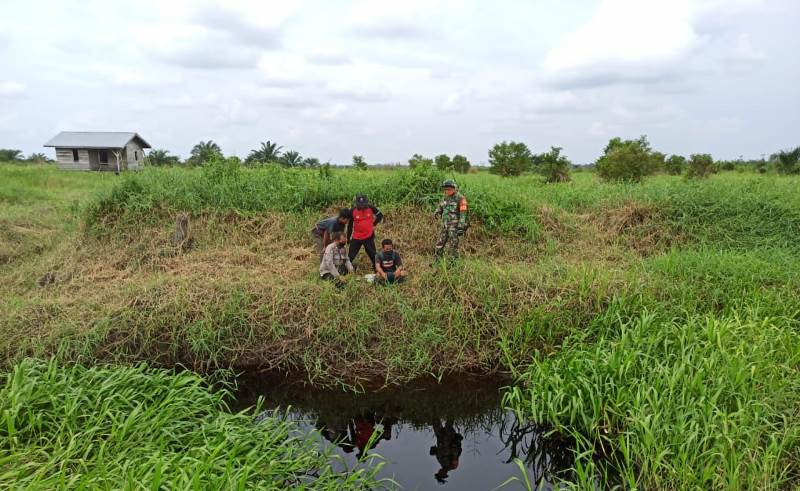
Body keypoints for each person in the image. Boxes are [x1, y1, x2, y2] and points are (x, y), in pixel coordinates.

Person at [433, 179, 468, 262]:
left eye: (449, 189)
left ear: (454, 188)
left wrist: (461, 226)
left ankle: (454, 263)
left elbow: (463, 214)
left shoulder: (460, 198)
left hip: (454, 226)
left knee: (453, 244)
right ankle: (438, 261)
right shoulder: (445, 197)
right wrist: (437, 212)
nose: (447, 191)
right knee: (439, 243)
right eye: (445, 189)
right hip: (444, 225)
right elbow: (440, 207)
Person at [347, 194, 383, 267]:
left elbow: (380, 215)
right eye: (360, 205)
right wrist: (348, 237)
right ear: (356, 203)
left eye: (364, 204)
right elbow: (350, 225)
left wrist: (373, 224)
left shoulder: (371, 207)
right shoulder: (352, 210)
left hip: (369, 236)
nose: (362, 206)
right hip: (356, 237)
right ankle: (345, 269)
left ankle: (377, 268)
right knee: (351, 255)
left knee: (373, 254)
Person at [430, 419, 463, 484]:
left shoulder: (441, 462)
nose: (439, 471)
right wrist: (455, 442)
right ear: (444, 474)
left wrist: (433, 451)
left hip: (440, 438)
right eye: (440, 473)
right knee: (449, 424)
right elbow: (455, 452)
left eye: (438, 473)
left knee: (435, 420)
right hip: (449, 438)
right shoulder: (453, 466)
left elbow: (437, 452)